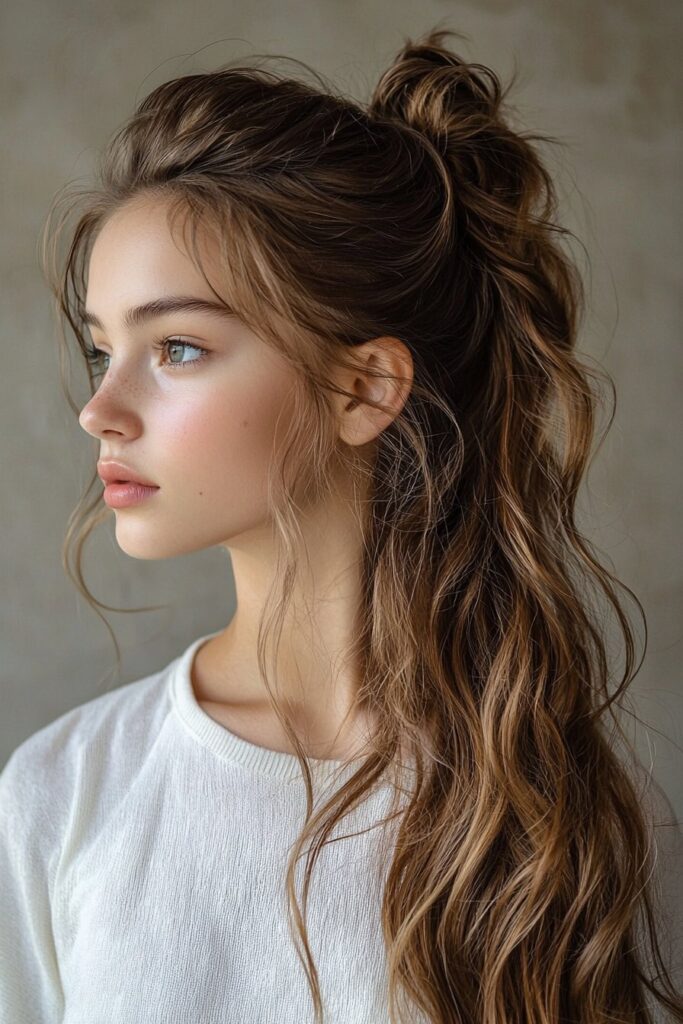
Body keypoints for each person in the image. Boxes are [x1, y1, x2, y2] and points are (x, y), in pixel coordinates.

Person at [1, 26, 681, 1024]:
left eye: (178, 346)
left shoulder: (555, 806)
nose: (99, 411)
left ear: (363, 387)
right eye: (106, 349)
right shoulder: (60, 797)